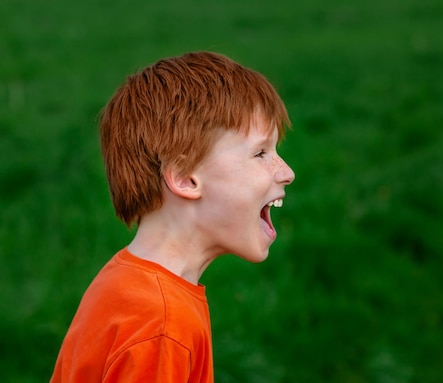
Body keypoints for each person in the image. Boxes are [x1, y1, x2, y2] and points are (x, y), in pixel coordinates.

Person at [50, 51, 296, 382]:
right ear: (184, 177)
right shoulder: (162, 326)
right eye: (261, 153)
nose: (287, 172)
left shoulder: (128, 282)